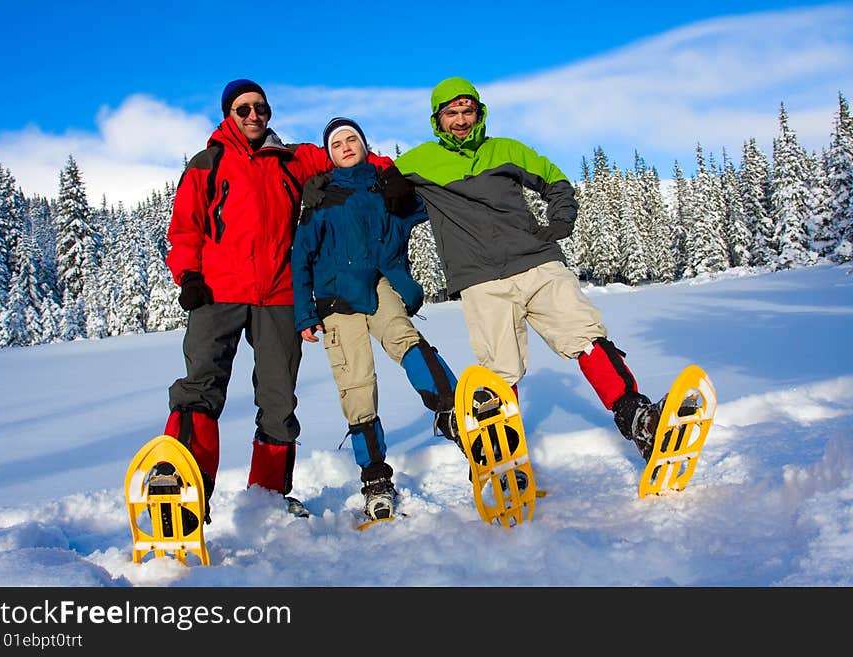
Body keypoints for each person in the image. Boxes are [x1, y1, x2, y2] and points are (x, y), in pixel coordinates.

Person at [386, 76, 670, 461]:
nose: (460, 119)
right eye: (451, 112)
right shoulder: (418, 162)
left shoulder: (507, 150)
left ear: (478, 112)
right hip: (480, 281)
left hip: (536, 264)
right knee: (500, 371)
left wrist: (558, 223)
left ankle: (637, 417)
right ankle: (504, 454)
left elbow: (556, 181)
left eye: (467, 110)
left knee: (585, 336)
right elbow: (368, 184)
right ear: (438, 119)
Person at [162, 80, 395, 525]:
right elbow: (185, 227)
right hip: (218, 292)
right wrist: (188, 275)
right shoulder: (206, 164)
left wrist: (388, 173)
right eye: (243, 108)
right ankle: (182, 489)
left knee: (278, 398)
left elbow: (347, 155)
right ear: (228, 113)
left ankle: (267, 496)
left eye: (260, 108)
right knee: (200, 387)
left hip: (280, 295)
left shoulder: (293, 158)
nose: (253, 116)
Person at [291, 117, 459, 521]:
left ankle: (454, 413)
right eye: (337, 143)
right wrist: (303, 314)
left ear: (366, 146)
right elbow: (300, 258)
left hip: (379, 285)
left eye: (352, 139)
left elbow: (431, 204)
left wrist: (406, 189)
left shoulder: (384, 187)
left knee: (405, 338)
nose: (346, 146)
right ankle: (375, 476)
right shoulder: (322, 197)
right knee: (356, 383)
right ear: (328, 155)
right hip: (334, 299)